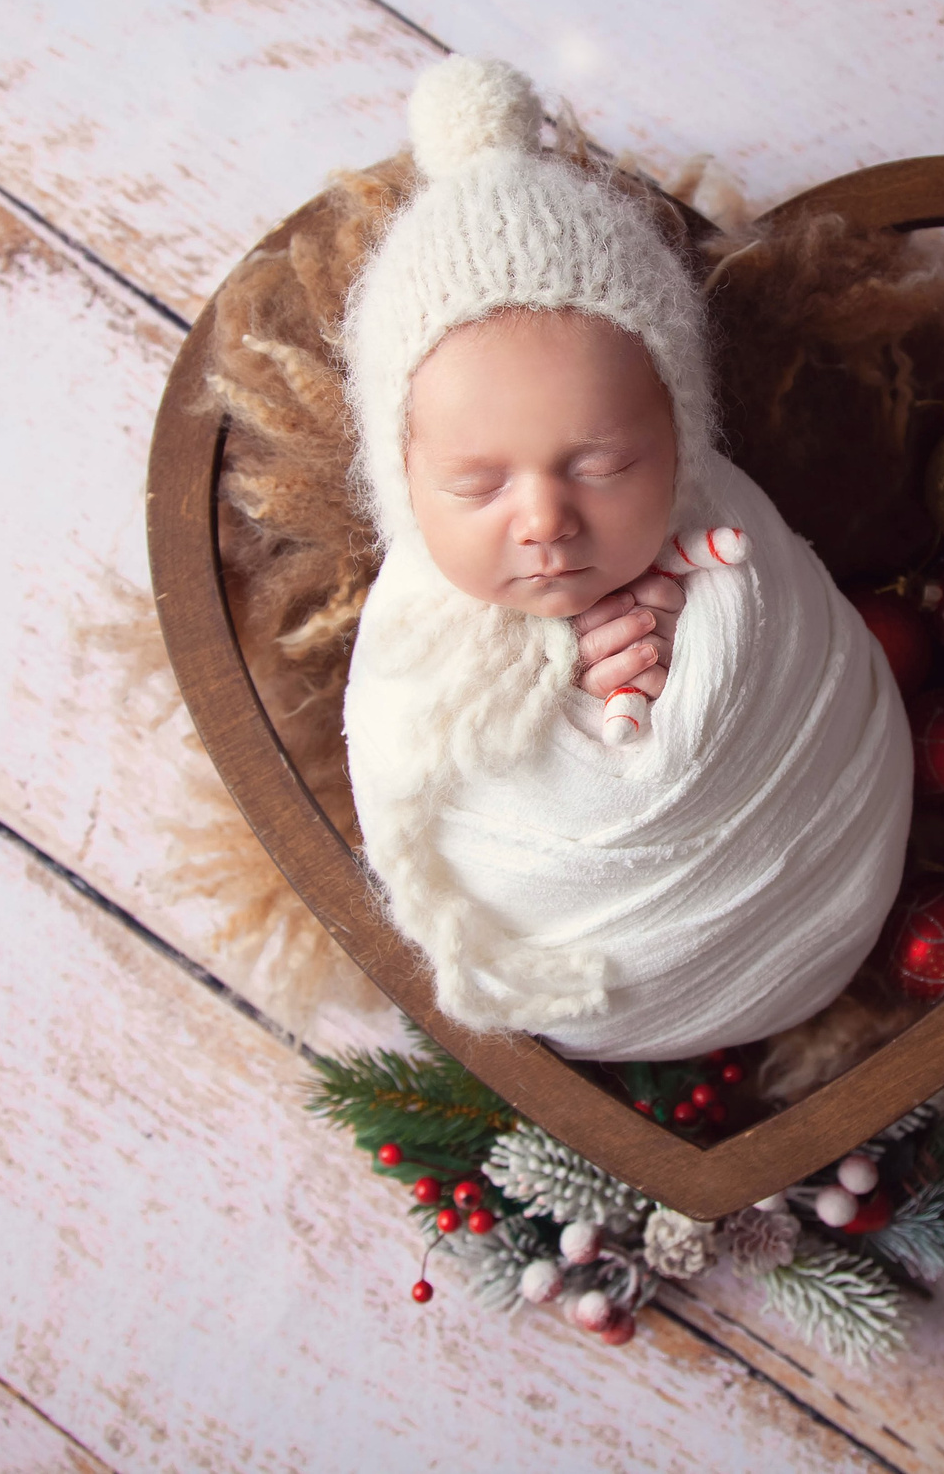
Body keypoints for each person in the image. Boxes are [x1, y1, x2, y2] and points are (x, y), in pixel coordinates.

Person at [339, 55, 910, 1060]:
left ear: (681, 438)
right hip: (583, 979)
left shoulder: (736, 544)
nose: (545, 519)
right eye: (478, 486)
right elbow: (410, 765)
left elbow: (789, 656)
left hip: (820, 889)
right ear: (404, 482)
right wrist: (562, 675)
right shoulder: (410, 635)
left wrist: (692, 644)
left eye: (600, 465)